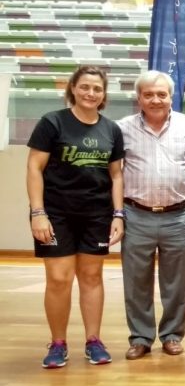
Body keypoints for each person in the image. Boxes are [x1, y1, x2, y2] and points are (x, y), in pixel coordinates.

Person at [28, 65, 125, 368]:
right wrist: (37, 212)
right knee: (58, 279)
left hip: (97, 214)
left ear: (103, 94)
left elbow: (117, 175)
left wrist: (118, 214)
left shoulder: (111, 129)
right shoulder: (52, 122)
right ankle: (58, 343)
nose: (90, 93)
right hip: (56, 214)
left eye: (97, 88)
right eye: (84, 87)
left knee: (92, 277)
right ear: (73, 88)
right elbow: (34, 168)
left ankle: (93, 341)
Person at [116, 71, 185, 362]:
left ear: (171, 96)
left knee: (177, 282)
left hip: (179, 216)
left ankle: (173, 334)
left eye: (161, 94)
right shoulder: (122, 129)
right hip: (136, 214)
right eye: (148, 94)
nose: (155, 99)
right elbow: (113, 173)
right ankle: (140, 337)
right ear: (138, 97)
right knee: (136, 281)